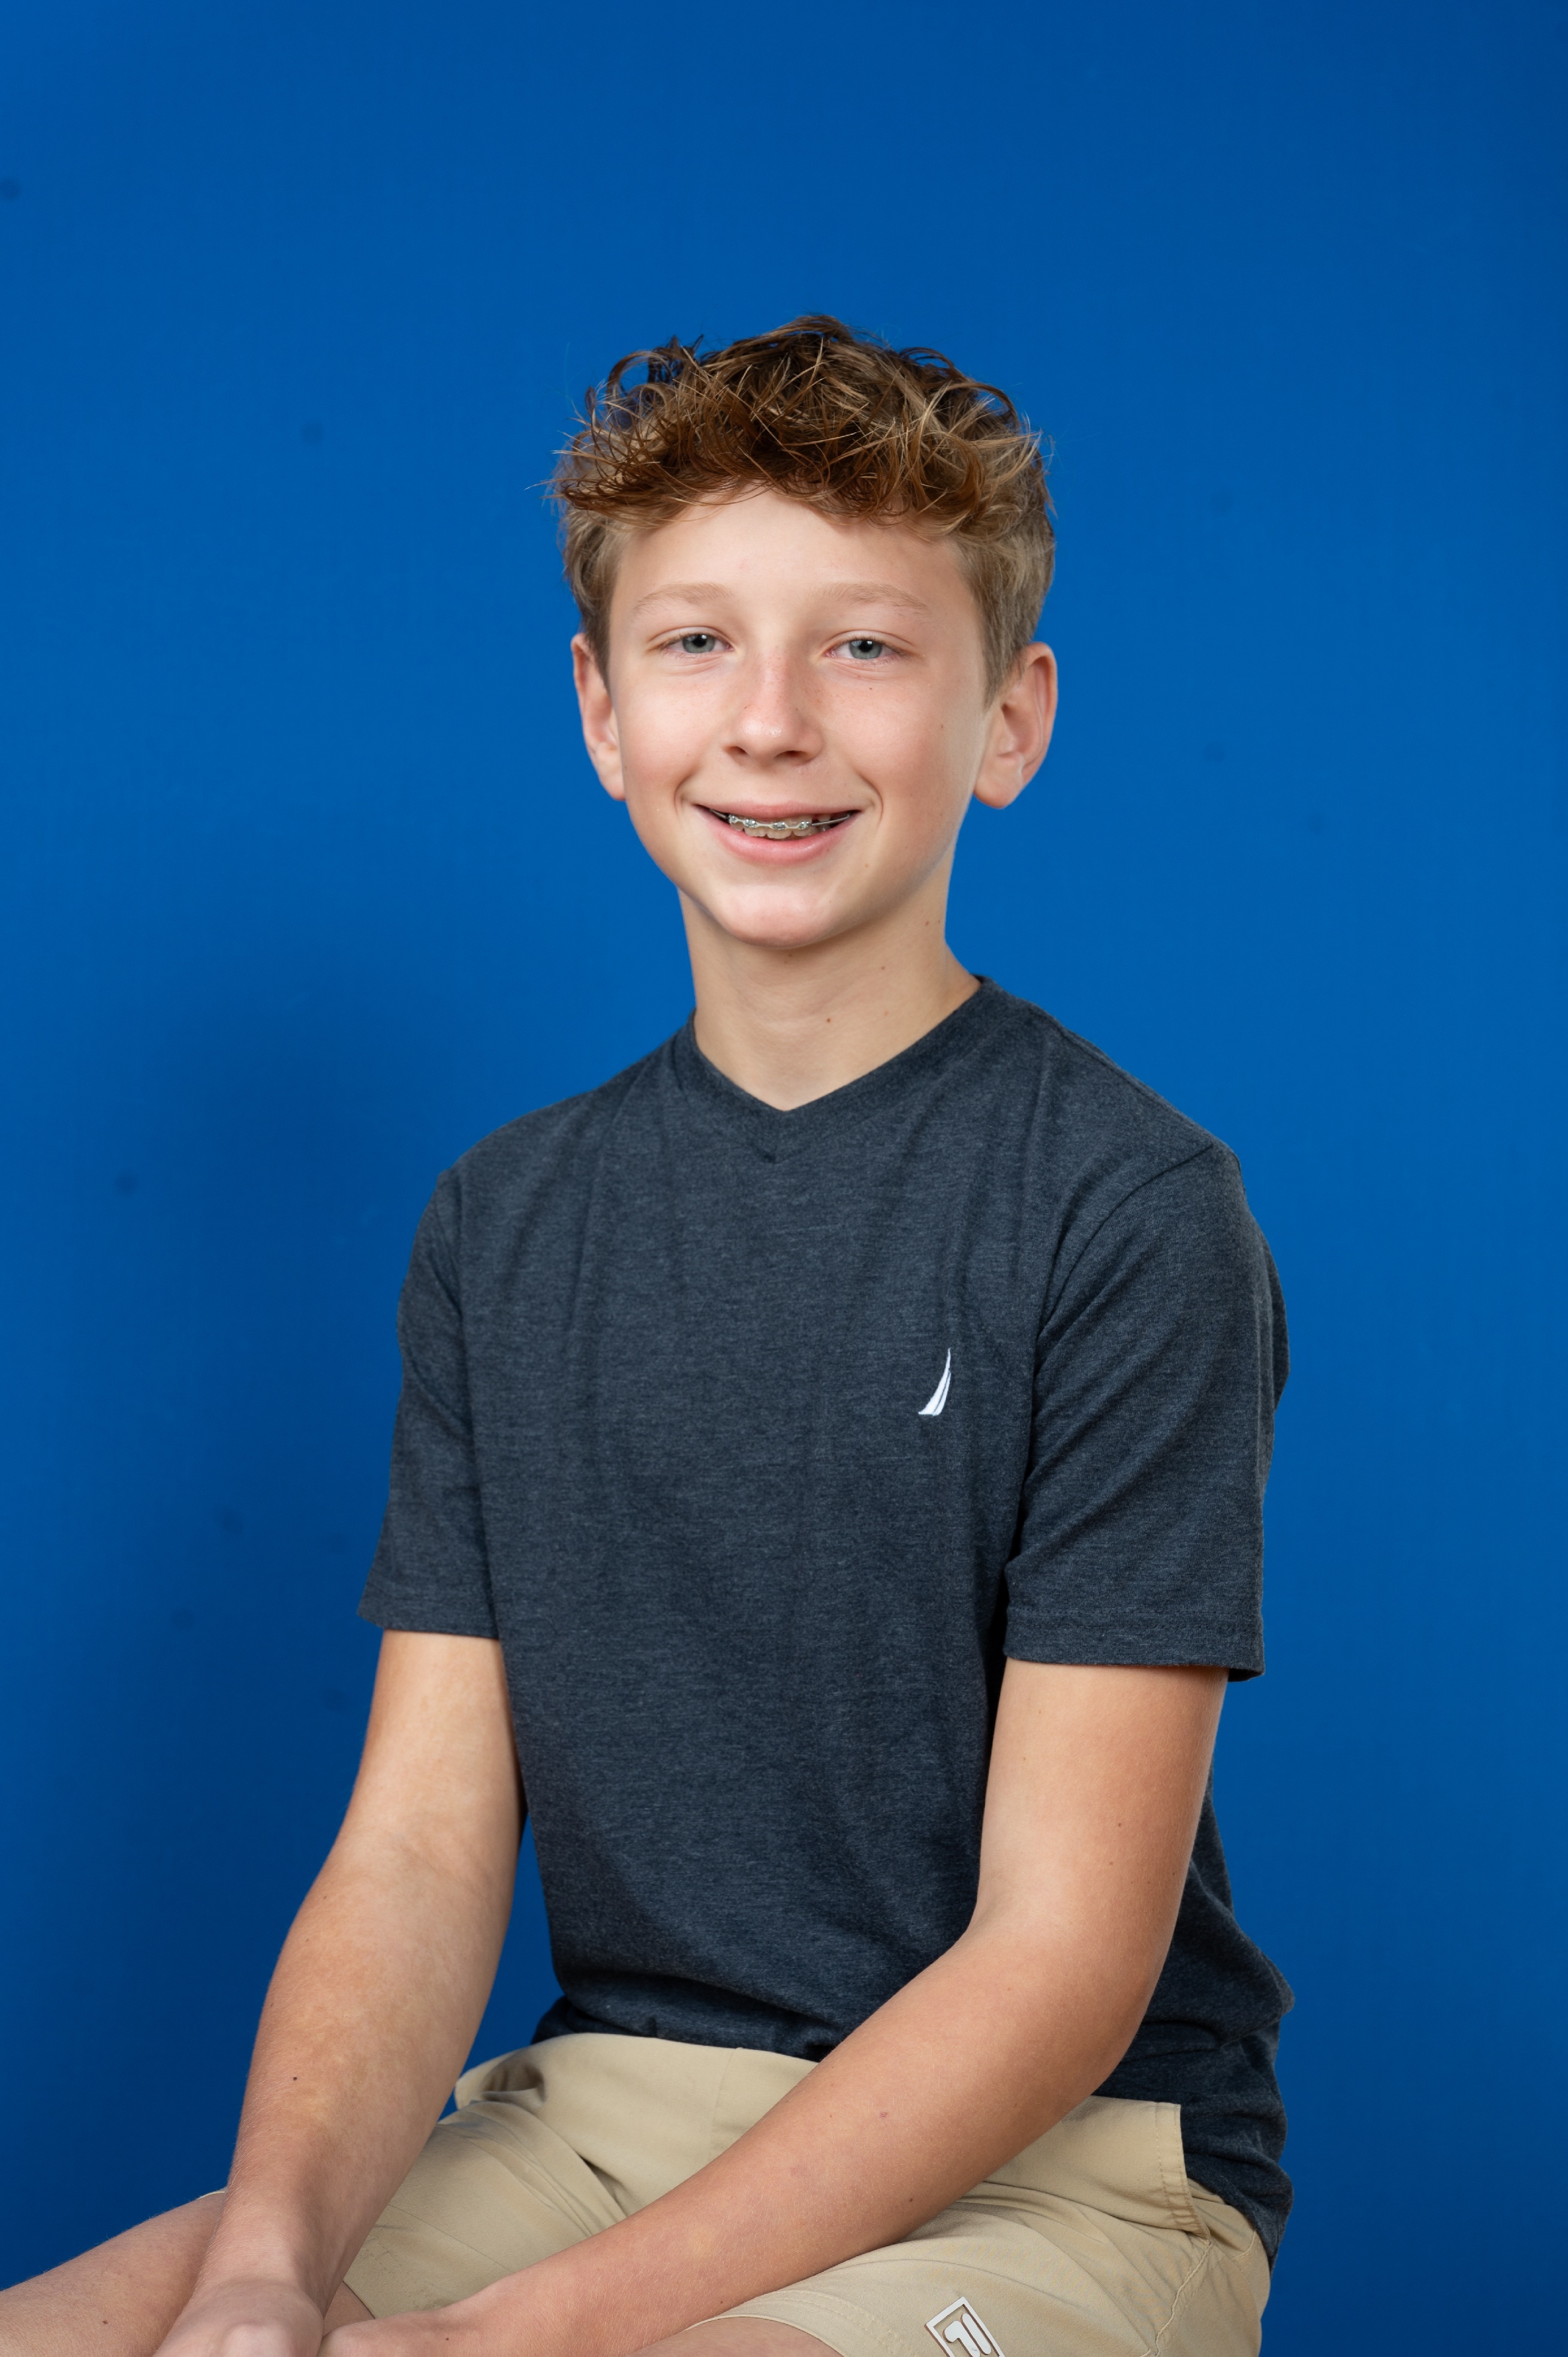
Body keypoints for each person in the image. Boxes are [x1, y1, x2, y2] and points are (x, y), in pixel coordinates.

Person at [1, 317, 1292, 2357]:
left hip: (1056, 2160)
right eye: (698, 644)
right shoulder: (504, 1223)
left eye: (864, 646)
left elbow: (1059, 1958)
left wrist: (512, 2334)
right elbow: (418, 1850)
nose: (771, 720)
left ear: (1010, 716)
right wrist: (264, 2269)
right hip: (599, 2121)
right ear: (604, 712)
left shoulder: (1124, 1210)